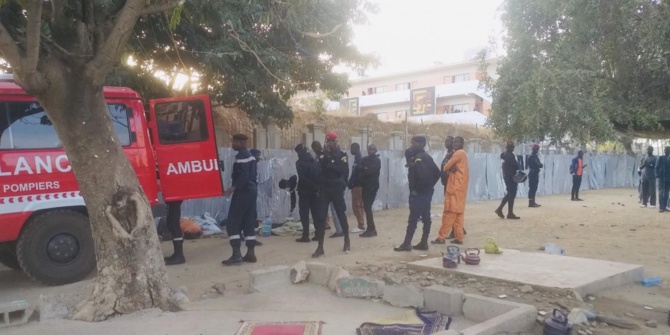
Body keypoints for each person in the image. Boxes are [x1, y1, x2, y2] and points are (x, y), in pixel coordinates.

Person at [394, 136, 440, 252]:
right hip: (426, 193)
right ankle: (424, 242)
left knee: (413, 219)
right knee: (426, 217)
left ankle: (407, 243)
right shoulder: (427, 157)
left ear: (419, 144)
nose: (411, 145)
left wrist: (417, 190)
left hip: (419, 194)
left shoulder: (419, 158)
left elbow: (422, 176)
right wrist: (429, 187)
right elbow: (437, 173)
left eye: (413, 143)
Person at [312, 133, 350, 258]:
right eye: (328, 141)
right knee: (321, 217)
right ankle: (320, 247)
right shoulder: (323, 155)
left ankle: (347, 240)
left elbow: (341, 169)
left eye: (332, 141)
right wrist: (328, 161)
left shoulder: (342, 155)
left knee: (341, 214)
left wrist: (330, 163)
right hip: (325, 188)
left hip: (337, 187)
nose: (330, 143)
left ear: (336, 141)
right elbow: (319, 169)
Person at [222, 134, 258, 266]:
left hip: (243, 192)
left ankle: (236, 254)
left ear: (242, 142)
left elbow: (243, 175)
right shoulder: (250, 155)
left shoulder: (242, 156)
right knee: (248, 221)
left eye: (235, 141)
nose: (232, 143)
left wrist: (233, 187)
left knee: (233, 222)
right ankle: (250, 253)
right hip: (252, 191)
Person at [434, 137, 469, 244]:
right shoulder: (462, 154)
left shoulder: (458, 153)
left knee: (449, 212)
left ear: (462, 143)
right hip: (460, 188)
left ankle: (441, 237)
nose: (455, 144)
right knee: (459, 214)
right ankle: (459, 238)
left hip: (454, 187)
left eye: (457, 142)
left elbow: (445, 166)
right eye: (454, 142)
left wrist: (449, 166)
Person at [311, 141, 341, 234]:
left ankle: (339, 229)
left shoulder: (324, 156)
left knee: (332, 208)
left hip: (328, 185)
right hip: (325, 185)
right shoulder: (320, 156)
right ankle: (327, 224)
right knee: (325, 207)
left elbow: (323, 170)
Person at [295, 144, 321, 242]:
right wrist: (316, 186)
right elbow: (319, 174)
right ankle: (318, 234)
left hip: (304, 191)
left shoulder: (299, 163)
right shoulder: (314, 161)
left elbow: (302, 178)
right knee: (315, 213)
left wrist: (311, 185)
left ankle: (305, 235)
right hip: (314, 191)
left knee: (304, 214)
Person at [359, 144, 382, 238]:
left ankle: (371, 229)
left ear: (375, 150)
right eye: (369, 149)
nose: (370, 151)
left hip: (372, 186)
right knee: (366, 207)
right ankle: (371, 228)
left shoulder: (377, 160)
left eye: (372, 149)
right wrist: (364, 168)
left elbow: (370, 171)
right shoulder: (365, 159)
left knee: (368, 207)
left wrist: (364, 169)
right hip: (365, 185)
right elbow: (358, 168)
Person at [495, 141, 521, 219]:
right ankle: (505, 211)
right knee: (511, 194)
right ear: (509, 147)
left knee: (510, 194)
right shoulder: (510, 155)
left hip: (507, 176)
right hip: (511, 177)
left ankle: (507, 211)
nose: (513, 148)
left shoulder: (505, 155)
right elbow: (516, 166)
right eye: (512, 146)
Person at [348, 143, 366, 233]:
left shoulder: (359, 159)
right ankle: (361, 224)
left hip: (358, 185)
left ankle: (361, 225)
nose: (350, 150)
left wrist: (353, 182)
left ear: (356, 148)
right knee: (359, 205)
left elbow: (358, 174)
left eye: (351, 148)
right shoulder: (357, 159)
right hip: (356, 185)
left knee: (356, 205)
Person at [163, 200, 185, 265]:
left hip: (175, 198)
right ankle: (177, 253)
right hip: (173, 199)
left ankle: (179, 255)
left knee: (174, 225)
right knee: (171, 223)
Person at [655, 147, 670, 212]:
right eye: (666, 150)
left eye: (668, 150)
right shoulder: (660, 158)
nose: (666, 151)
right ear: (664, 151)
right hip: (661, 178)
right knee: (661, 192)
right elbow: (656, 167)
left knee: (666, 193)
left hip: (668, 178)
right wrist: (657, 175)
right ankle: (661, 207)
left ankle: (665, 206)